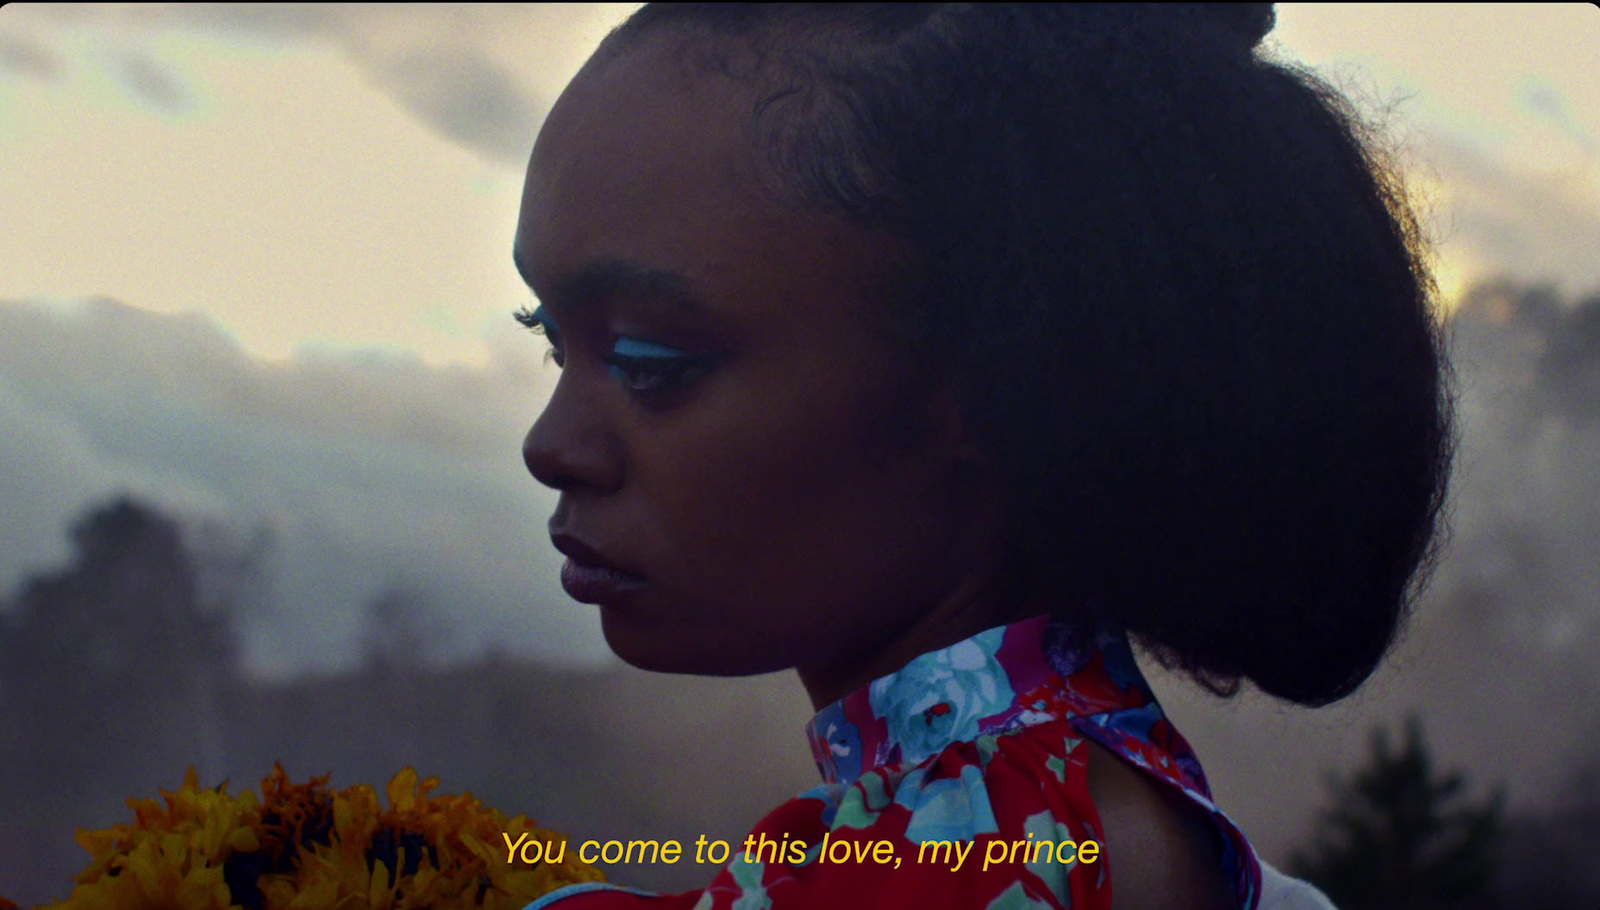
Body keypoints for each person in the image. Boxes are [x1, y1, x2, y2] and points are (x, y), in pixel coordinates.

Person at [510, 4, 1451, 909]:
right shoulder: (1058, 814)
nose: (551, 446)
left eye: (649, 362)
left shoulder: (1003, 854)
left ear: (991, 386)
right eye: (554, 339)